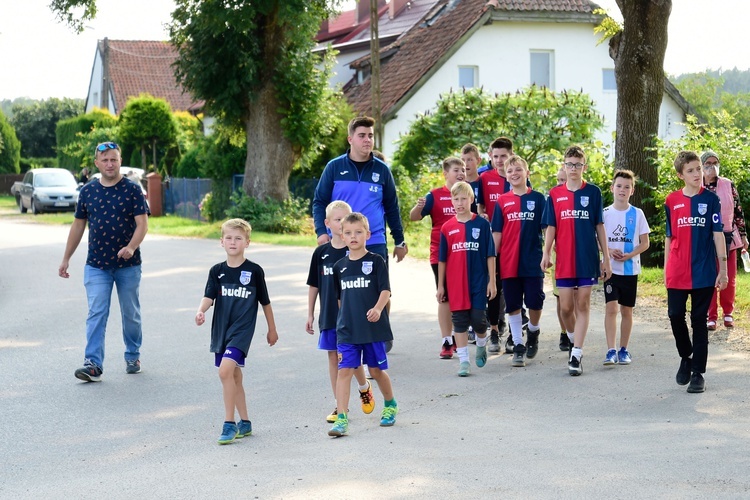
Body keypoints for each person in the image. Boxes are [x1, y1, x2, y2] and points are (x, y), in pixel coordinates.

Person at [59, 141, 149, 382]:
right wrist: (66, 258)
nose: (110, 164)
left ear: (120, 161)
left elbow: (143, 224)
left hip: (128, 265)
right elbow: (79, 225)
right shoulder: (87, 191)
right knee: (97, 312)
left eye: (114, 159)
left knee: (130, 313)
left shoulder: (132, 190)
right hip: (96, 265)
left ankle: (132, 354)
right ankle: (93, 363)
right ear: (97, 163)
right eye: (105, 160)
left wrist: (131, 247)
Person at [195, 218, 279, 444]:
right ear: (221, 242)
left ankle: (229, 424)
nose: (233, 242)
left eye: (238, 238)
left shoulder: (254, 271)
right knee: (234, 376)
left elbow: (265, 302)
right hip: (221, 330)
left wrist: (272, 329)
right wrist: (201, 310)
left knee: (224, 372)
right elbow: (209, 296)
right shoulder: (217, 271)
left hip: (242, 331)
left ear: (247, 242)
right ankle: (245, 422)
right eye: (229, 238)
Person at [541, 145, 611, 376]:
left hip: (586, 257)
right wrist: (546, 253)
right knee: (566, 306)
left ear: (584, 167)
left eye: (577, 165)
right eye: (569, 164)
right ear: (564, 165)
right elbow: (551, 226)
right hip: (564, 259)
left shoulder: (593, 192)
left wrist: (606, 258)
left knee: (582, 304)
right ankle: (572, 338)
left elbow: (599, 226)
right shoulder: (555, 194)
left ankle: (577, 353)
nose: (573, 168)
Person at [328, 213, 398, 437]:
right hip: (348, 330)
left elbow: (385, 291)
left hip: (372, 329)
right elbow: (340, 300)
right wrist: (342, 321)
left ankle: (390, 404)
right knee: (344, 371)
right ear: (342, 235)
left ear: (368, 234)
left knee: (376, 371)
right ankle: (341, 418)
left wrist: (378, 308)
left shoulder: (376, 261)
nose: (353, 236)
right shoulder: (339, 267)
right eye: (348, 233)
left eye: (358, 232)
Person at [306, 201, 374, 423]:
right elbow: (314, 285)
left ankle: (364, 387)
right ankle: (340, 406)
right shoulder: (321, 253)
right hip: (329, 315)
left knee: (350, 360)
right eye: (338, 220)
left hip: (352, 316)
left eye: (346, 219)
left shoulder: (354, 252)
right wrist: (310, 313)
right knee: (334, 359)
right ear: (327, 223)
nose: (342, 224)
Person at [665, 151, 727, 394]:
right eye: (690, 171)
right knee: (674, 315)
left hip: (703, 271)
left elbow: (718, 234)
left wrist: (722, 270)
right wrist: (666, 270)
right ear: (681, 175)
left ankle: (698, 373)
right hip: (678, 271)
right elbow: (669, 237)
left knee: (699, 322)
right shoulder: (672, 201)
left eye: (698, 169)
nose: (696, 174)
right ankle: (686, 356)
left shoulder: (711, 200)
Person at [312, 116, 408, 263]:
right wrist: (321, 232)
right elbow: (319, 202)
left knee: (378, 286)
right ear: (350, 139)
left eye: (370, 136)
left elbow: (392, 208)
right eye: (361, 136)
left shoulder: (382, 170)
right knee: (338, 286)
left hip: (374, 242)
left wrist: (399, 241)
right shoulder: (334, 167)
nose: (367, 140)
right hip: (340, 241)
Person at [491, 155, 546, 367]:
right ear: (506, 175)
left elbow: (548, 229)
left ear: (527, 173)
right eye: (510, 171)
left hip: (532, 261)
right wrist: (493, 262)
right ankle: (519, 345)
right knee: (512, 305)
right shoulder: (502, 201)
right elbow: (497, 233)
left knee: (535, 302)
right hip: (508, 262)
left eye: (518, 170)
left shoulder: (539, 199)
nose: (514, 174)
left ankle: (533, 330)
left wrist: (549, 253)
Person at [437, 181, 496, 377]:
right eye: (456, 199)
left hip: (478, 282)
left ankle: (481, 343)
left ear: (471, 200)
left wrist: (492, 281)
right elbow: (442, 260)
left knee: (479, 321)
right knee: (460, 322)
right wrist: (441, 286)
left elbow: (490, 255)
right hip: (456, 284)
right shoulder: (447, 228)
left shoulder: (481, 224)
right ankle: (464, 361)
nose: (460, 202)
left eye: (464, 198)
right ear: (451, 201)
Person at [409, 157, 466, 359]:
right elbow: (414, 217)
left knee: (462, 296)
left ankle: (461, 341)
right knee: (445, 297)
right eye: (456, 170)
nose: (461, 173)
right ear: (446, 173)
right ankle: (446, 340)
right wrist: (418, 206)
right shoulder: (434, 195)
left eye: (464, 170)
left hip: (465, 253)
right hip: (440, 255)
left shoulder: (467, 194)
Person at [602, 169, 650, 365]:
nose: (622, 190)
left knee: (626, 311)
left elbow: (645, 242)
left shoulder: (637, 214)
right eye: (619, 186)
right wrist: (610, 250)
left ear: (632, 190)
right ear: (612, 188)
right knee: (611, 309)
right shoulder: (604, 213)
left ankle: (624, 349)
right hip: (610, 270)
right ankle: (610, 350)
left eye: (627, 187)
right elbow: (597, 239)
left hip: (630, 270)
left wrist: (630, 254)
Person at [701, 150, 748, 330]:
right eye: (708, 163)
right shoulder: (698, 187)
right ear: (702, 166)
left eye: (715, 162)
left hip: (729, 236)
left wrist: (743, 236)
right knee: (709, 277)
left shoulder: (728, 184)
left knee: (729, 277)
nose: (712, 166)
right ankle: (711, 315)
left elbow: (738, 212)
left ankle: (728, 313)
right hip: (705, 239)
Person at [477, 137, 513, 354]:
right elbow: (480, 208)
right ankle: (493, 330)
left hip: (514, 241)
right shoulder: (484, 178)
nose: (500, 161)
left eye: (504, 156)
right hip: (492, 241)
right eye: (496, 156)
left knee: (512, 286)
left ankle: (513, 328)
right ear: (490, 156)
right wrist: (484, 218)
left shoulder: (517, 175)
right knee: (494, 284)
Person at [551, 167, 572, 352]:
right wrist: (549, 249)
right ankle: (564, 332)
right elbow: (548, 227)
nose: (559, 183)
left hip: (576, 254)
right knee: (560, 298)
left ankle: (575, 332)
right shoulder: (554, 197)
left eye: (562, 179)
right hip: (558, 255)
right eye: (558, 179)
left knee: (576, 297)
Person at [460, 143, 482, 215]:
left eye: (470, 160)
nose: (466, 164)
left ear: (478, 161)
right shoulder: (457, 185)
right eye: (463, 160)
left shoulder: (484, 183)